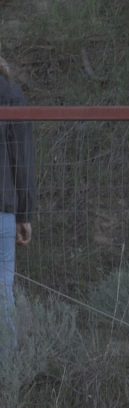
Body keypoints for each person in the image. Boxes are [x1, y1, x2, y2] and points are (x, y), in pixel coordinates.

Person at [0, 55, 33, 350]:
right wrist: (25, 213)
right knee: (2, 292)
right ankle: (7, 372)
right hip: (4, 210)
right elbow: (21, 161)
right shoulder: (11, 94)